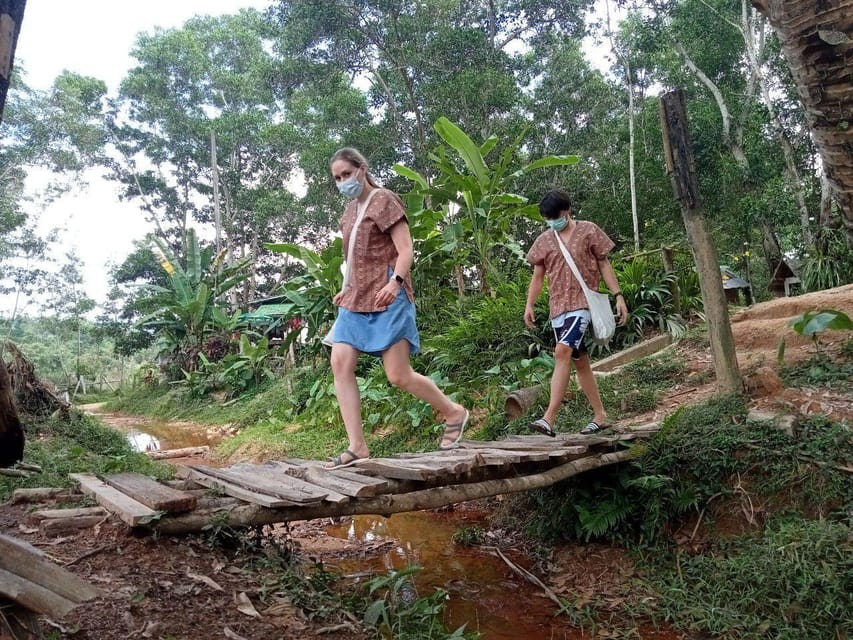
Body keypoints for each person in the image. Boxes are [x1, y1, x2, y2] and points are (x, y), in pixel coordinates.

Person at [324, 147, 470, 468]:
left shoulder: (384, 199)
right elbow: (353, 258)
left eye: (346, 174)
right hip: (355, 298)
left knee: (398, 375)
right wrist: (345, 288)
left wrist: (396, 282)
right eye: (337, 178)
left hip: (388, 292)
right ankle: (357, 445)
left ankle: (453, 412)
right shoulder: (349, 212)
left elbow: (406, 250)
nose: (343, 181)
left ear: (362, 169)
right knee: (340, 362)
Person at [523, 188, 628, 436]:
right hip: (558, 308)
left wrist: (618, 296)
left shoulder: (589, 230)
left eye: (554, 217)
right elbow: (538, 277)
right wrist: (529, 304)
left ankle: (549, 417)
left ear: (567, 211)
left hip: (583, 305)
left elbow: (604, 263)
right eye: (547, 219)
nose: (551, 222)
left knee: (562, 352)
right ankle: (600, 415)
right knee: (580, 363)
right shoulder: (544, 241)